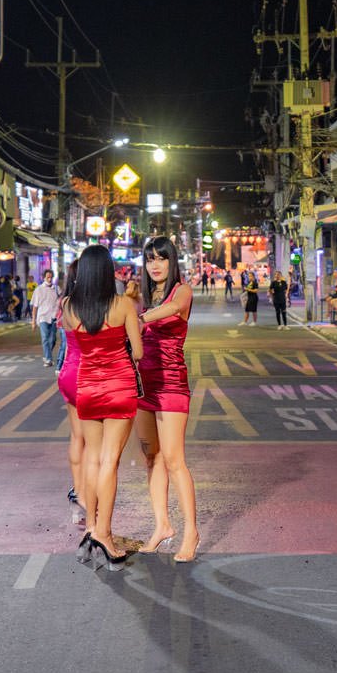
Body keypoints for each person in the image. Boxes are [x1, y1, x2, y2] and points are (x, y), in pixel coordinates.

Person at [59, 244, 142, 571]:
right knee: (110, 462)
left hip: (87, 388)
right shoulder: (123, 305)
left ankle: (91, 528)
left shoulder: (68, 307)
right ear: (108, 273)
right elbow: (137, 352)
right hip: (119, 387)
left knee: (92, 459)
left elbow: (73, 346)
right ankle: (104, 535)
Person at [134, 237, 200, 563]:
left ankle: (191, 533)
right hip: (144, 386)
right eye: (150, 260)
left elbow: (173, 310)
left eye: (161, 258)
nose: (155, 265)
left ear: (172, 262)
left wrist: (140, 318)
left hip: (172, 384)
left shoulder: (181, 292)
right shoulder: (142, 296)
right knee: (152, 458)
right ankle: (162, 525)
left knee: (175, 460)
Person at [56, 260, 86, 526]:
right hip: (89, 375)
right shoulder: (93, 306)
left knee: (77, 437)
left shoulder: (66, 303)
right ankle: (89, 497)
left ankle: (77, 494)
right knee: (95, 443)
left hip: (68, 372)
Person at [30, 270, 60, 368]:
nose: (50, 279)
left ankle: (47, 354)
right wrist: (33, 321)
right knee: (45, 338)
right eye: (48, 277)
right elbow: (35, 306)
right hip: (43, 317)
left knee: (53, 339)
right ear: (44, 277)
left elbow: (61, 301)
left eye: (51, 277)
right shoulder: (38, 290)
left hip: (54, 317)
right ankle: (48, 359)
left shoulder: (57, 289)